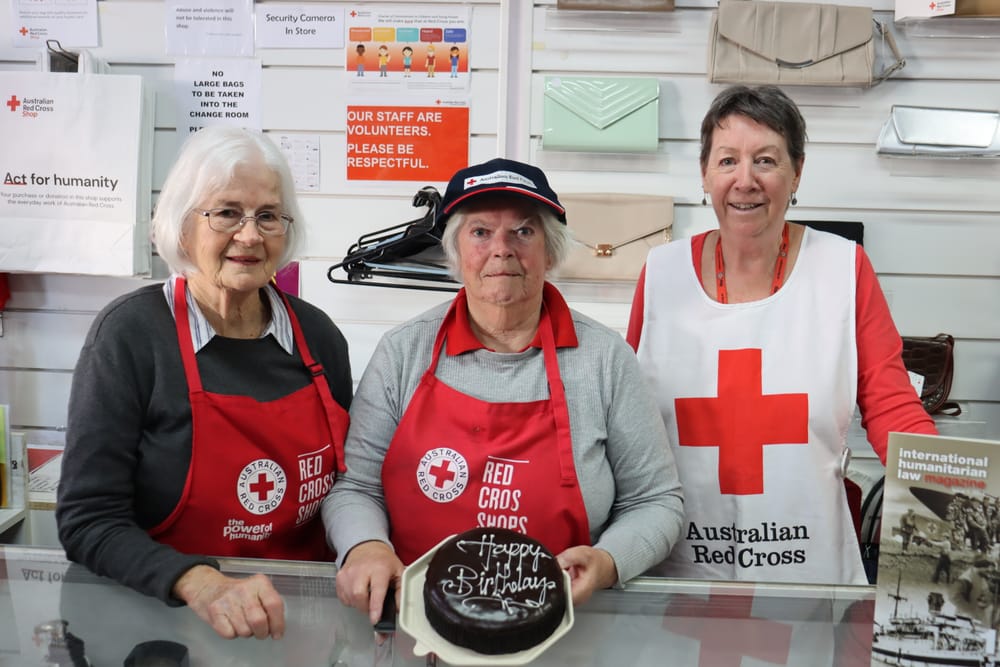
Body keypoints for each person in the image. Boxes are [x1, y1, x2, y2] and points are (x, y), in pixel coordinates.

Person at [324, 157, 684, 625]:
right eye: (480, 232)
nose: (502, 249)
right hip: (418, 624)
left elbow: (656, 501)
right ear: (454, 251)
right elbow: (356, 486)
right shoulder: (403, 352)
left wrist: (610, 561)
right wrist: (366, 545)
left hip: (562, 629)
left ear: (550, 251)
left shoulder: (605, 359)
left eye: (524, 232)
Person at [627, 85, 937, 584]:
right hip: (681, 570)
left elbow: (891, 405)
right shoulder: (661, 273)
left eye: (766, 160)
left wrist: (950, 493)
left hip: (810, 570)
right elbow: (627, 418)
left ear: (797, 171)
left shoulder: (844, 269)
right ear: (704, 173)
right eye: (727, 160)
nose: (745, 181)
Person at [56, 126, 352, 640]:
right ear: (183, 226)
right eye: (227, 212)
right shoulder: (130, 335)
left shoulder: (318, 337)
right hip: (164, 624)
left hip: (296, 627)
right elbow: (88, 519)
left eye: (268, 215)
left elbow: (348, 484)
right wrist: (200, 583)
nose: (251, 234)